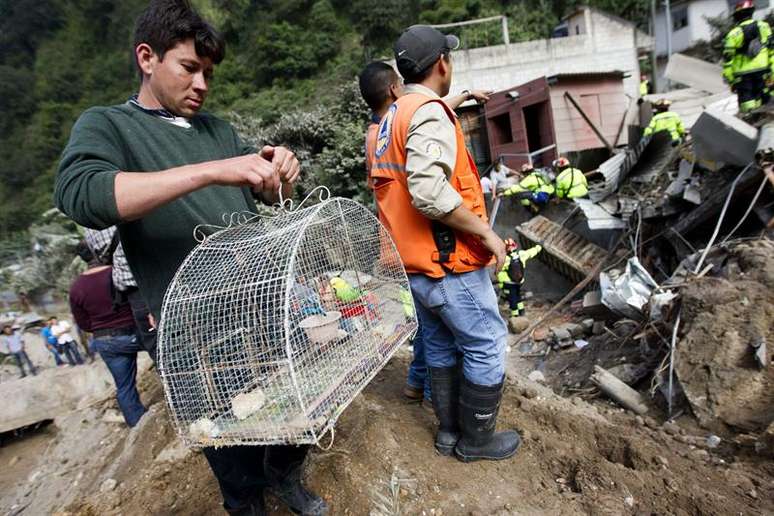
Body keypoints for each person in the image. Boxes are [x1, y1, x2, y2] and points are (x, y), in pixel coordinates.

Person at [54, 2, 324, 514]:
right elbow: (82, 194)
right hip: (190, 327)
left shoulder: (218, 131)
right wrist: (208, 172)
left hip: (259, 304)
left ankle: (285, 474)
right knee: (225, 441)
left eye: (208, 73)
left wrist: (282, 172)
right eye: (189, 68)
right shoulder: (109, 125)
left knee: (293, 404)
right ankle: (248, 502)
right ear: (147, 58)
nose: (201, 84)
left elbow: (273, 196)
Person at [371, 24, 520, 463]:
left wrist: (462, 98)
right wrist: (487, 234)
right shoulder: (428, 113)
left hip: (413, 264)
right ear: (442, 63)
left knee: (438, 345)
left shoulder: (390, 119)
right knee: (486, 341)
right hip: (448, 262)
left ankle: (449, 433)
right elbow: (429, 192)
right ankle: (477, 441)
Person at [357, 62, 490, 409]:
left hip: (401, 247)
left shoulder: (378, 132)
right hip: (423, 247)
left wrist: (462, 96)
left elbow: (417, 118)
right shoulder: (396, 124)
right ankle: (431, 394)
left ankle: (420, 387)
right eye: (402, 83)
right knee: (442, 334)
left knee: (428, 329)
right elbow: (426, 188)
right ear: (393, 91)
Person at [70, 242, 147, 426]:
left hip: (105, 340)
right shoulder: (117, 273)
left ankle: (137, 424)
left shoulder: (76, 288)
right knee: (164, 363)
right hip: (136, 332)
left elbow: (83, 323)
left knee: (124, 386)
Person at [83, 227, 157, 362]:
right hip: (156, 281)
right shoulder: (134, 212)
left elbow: (84, 322)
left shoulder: (92, 224)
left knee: (158, 350)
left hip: (134, 297)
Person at [722, 0, 773, 113]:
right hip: (763, 71)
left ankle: (750, 121)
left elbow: (727, 61)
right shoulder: (764, 27)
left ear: (736, 16)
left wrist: (731, 81)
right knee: (766, 100)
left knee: (747, 104)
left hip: (742, 76)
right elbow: (772, 50)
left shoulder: (732, 35)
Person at [497, 240, 542, 317]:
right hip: (519, 282)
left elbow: (499, 273)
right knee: (517, 296)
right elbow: (531, 252)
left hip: (508, 283)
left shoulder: (505, 259)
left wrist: (501, 285)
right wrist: (538, 247)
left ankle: (515, 316)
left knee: (512, 299)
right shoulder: (521, 254)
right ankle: (521, 311)